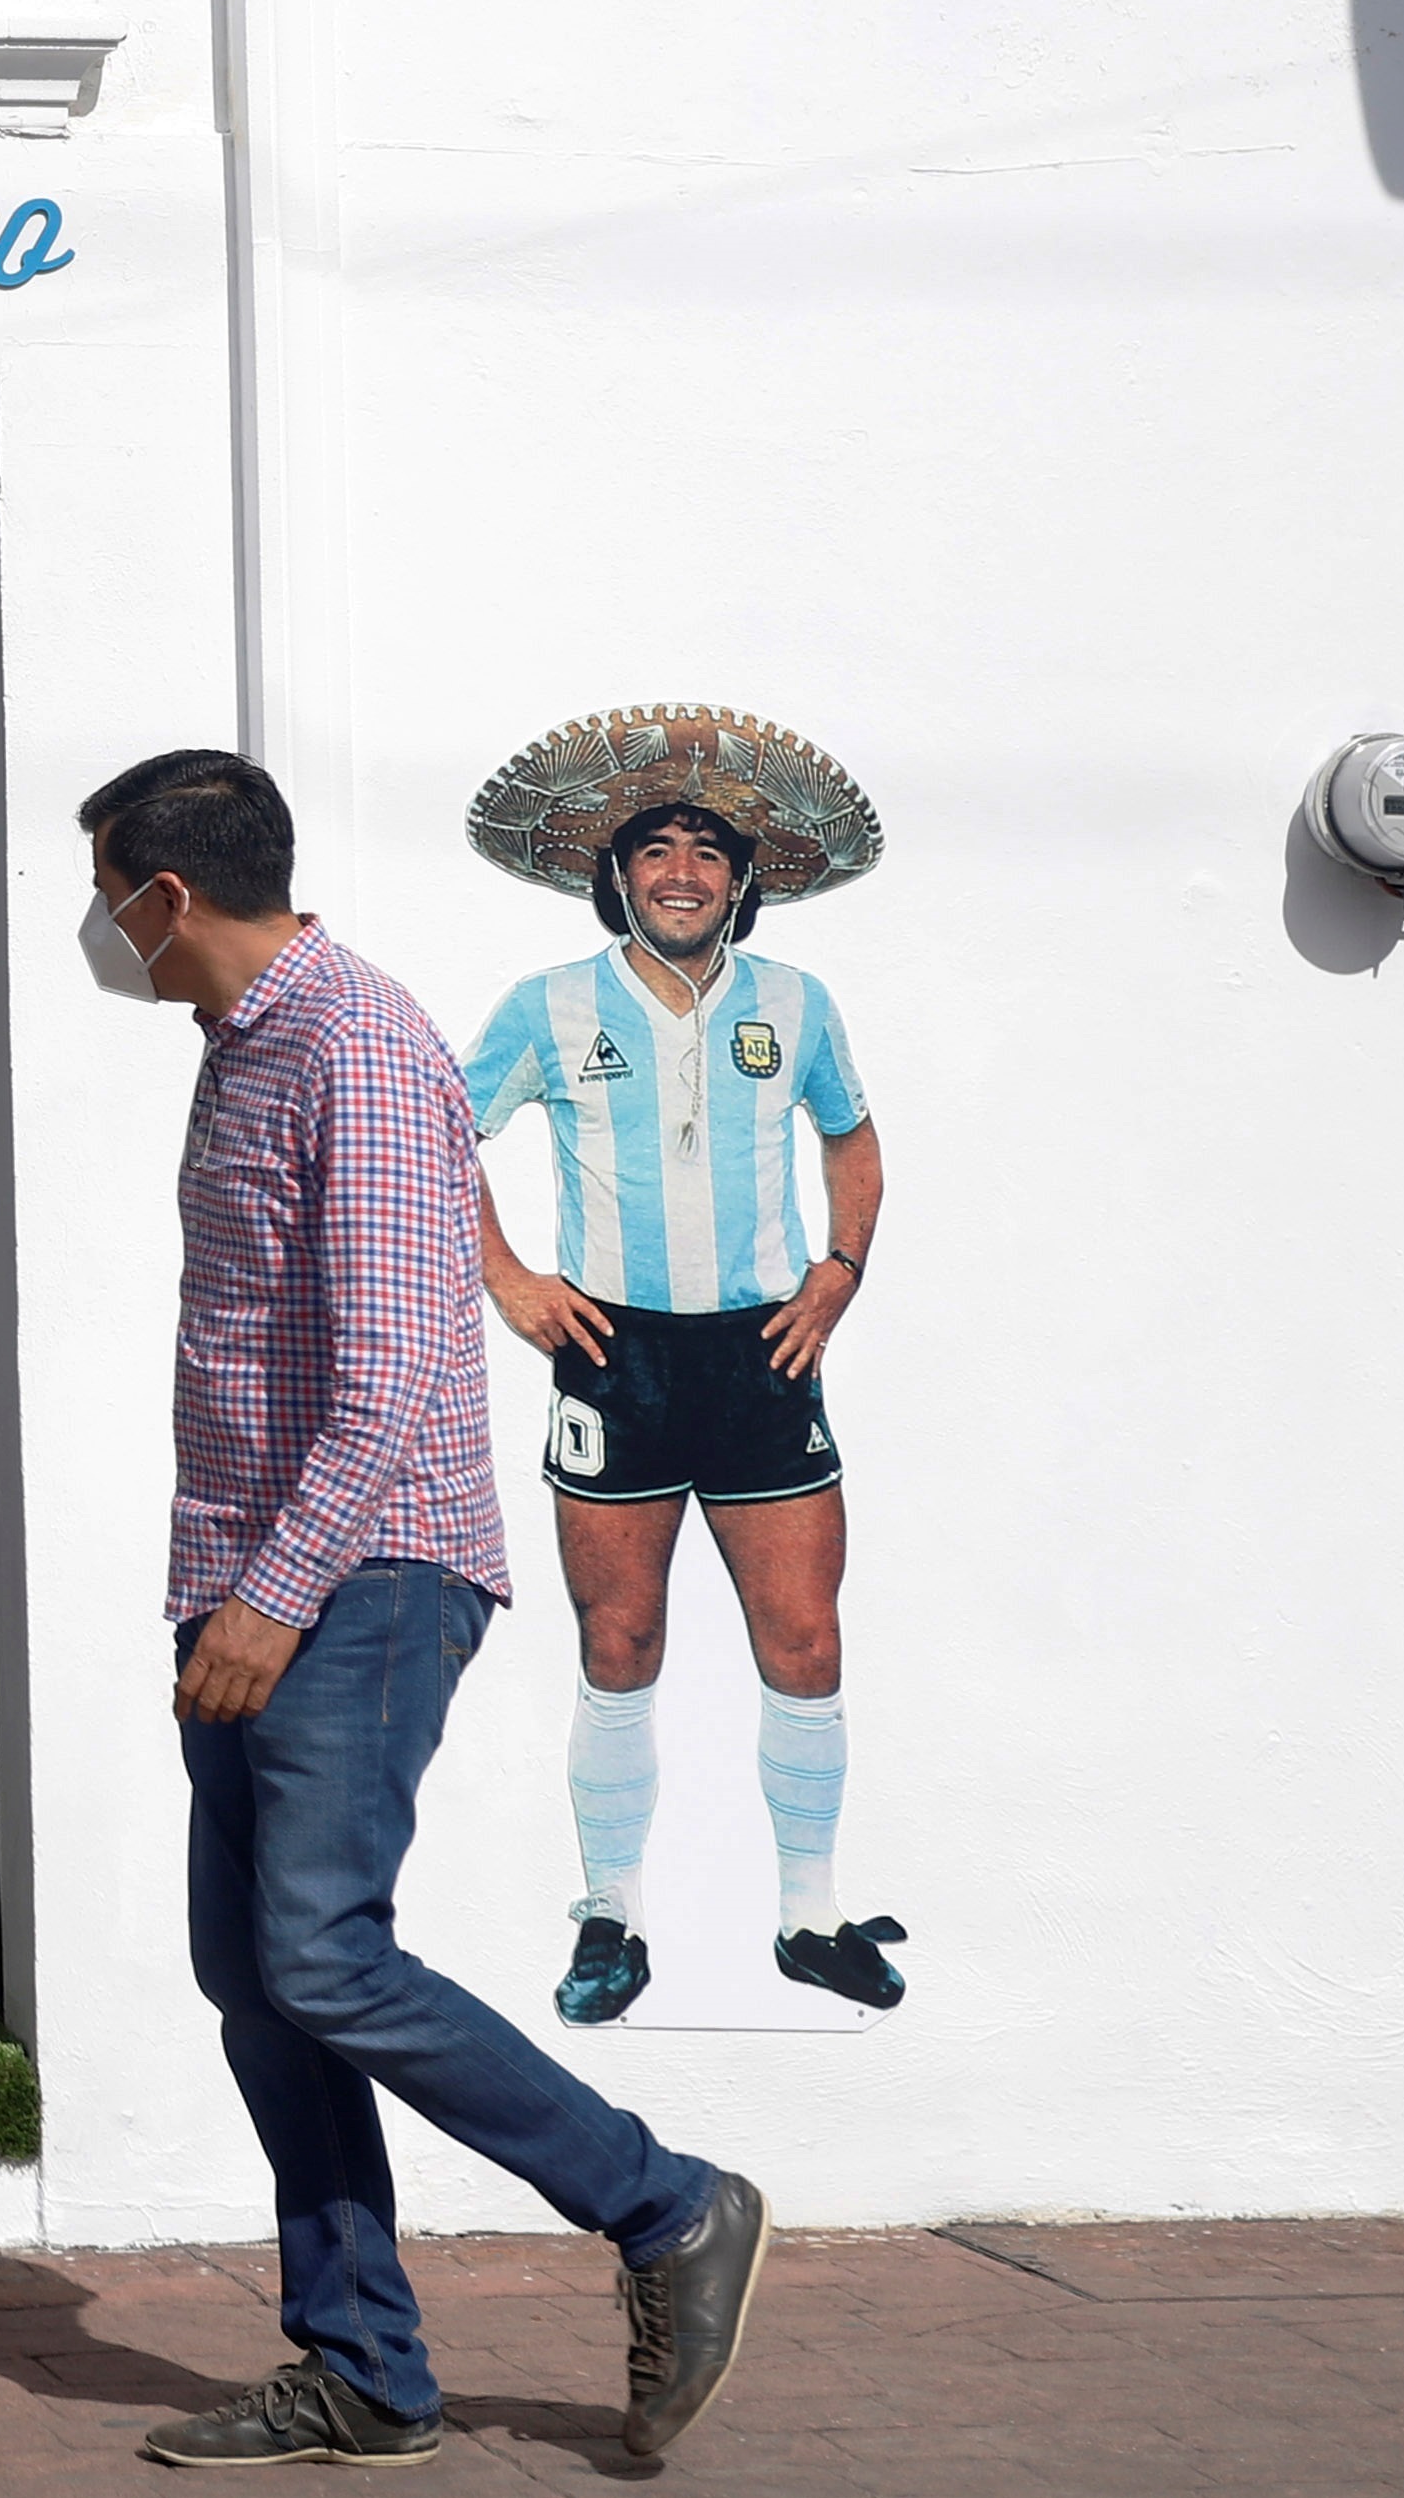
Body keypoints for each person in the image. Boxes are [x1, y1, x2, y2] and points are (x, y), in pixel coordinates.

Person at [79, 746, 766, 2470]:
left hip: (354, 1576)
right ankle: (363, 2364)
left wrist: (275, 1594)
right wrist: (504, 1258)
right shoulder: (260, 1044)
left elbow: (389, 1368)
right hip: (251, 1569)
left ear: (166, 894)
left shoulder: (353, 1040)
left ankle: (664, 2202)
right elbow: (410, 1220)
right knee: (255, 1969)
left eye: (108, 892)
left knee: (317, 1947)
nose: (100, 927)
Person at [459, 707, 899, 2025]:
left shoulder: (794, 1003)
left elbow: (854, 1141)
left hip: (760, 1355)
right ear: (617, 874)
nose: (680, 869)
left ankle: (809, 1915)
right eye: (654, 846)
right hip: (616, 1357)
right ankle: (608, 1916)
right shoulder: (544, 1005)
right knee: (619, 1637)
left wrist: (836, 1271)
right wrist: (510, 1280)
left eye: (705, 848)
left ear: (740, 878)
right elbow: (433, 1132)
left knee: (804, 1636)